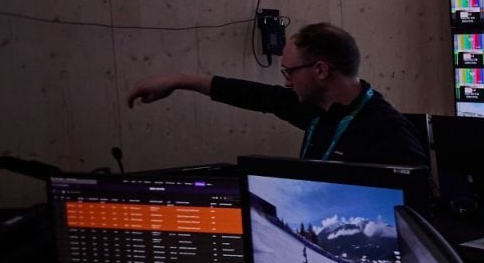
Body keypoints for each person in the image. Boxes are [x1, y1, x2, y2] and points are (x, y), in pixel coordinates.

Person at [125, 22, 427, 166]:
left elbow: (420, 218)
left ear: (320, 70)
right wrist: (178, 80)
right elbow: (254, 95)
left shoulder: (390, 134)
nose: (286, 82)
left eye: (289, 72)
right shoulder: (319, 108)